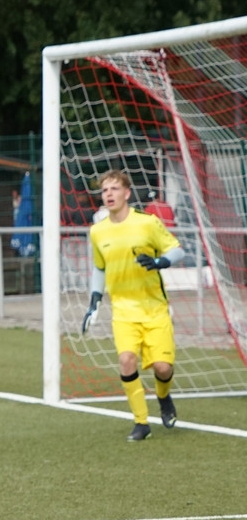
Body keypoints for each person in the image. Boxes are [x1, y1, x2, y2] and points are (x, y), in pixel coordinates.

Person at [82, 169, 185, 441]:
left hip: (155, 310)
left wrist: (160, 262)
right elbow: (99, 268)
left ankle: (164, 397)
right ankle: (141, 423)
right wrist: (94, 301)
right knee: (126, 360)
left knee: (163, 368)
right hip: (123, 311)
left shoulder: (147, 223)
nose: (109, 194)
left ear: (127, 193)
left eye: (114, 189)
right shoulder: (97, 231)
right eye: (105, 190)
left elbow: (178, 250)